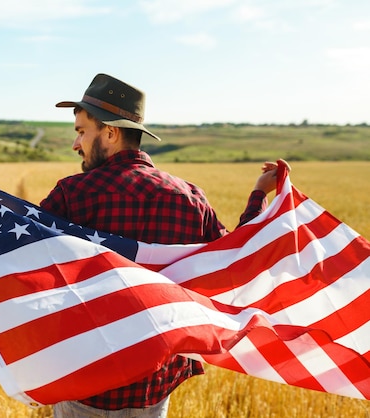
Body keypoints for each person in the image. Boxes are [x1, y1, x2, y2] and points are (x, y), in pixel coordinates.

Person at [38, 73, 288, 418]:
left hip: (86, 379)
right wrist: (259, 194)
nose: (76, 144)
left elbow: (24, 260)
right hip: (154, 384)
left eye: (82, 131)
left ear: (110, 132)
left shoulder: (72, 194)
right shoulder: (189, 198)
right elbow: (235, 259)